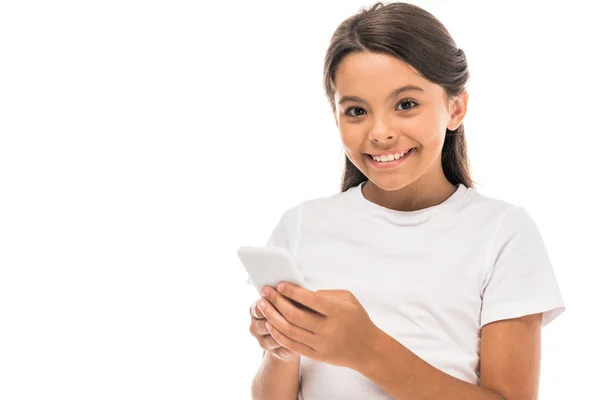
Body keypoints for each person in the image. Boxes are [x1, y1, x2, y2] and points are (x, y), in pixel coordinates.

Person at [248, 2, 566, 399]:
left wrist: (366, 349)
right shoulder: (300, 226)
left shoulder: (502, 233)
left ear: (456, 107)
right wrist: (282, 348)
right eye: (356, 110)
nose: (380, 133)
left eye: (405, 105)